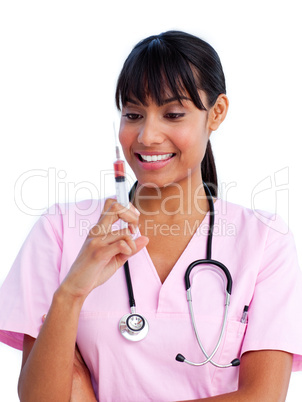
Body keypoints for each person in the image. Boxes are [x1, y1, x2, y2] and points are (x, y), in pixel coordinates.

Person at [0, 30, 302, 402]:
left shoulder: (264, 240)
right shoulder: (61, 230)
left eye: (173, 114)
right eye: (133, 114)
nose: (147, 135)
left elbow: (263, 397)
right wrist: (71, 292)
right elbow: (38, 398)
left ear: (217, 113)